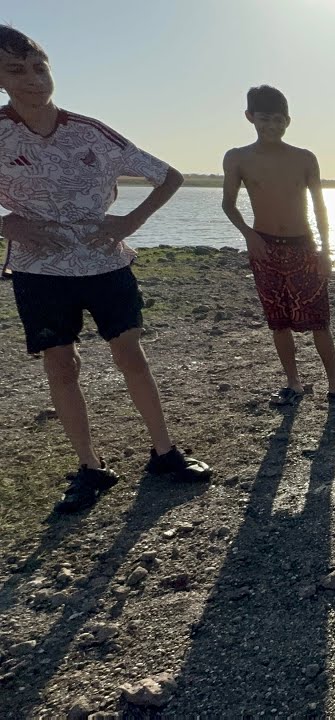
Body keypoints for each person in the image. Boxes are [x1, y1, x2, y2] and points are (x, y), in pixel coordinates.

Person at [0, 25, 211, 514]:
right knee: (61, 365)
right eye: (16, 70)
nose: (33, 79)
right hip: (40, 270)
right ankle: (91, 467)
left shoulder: (90, 131)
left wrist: (131, 221)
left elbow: (168, 176)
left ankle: (165, 453)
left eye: (39, 67)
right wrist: (7, 223)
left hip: (105, 262)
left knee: (131, 355)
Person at [221, 85, 335, 407]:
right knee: (278, 321)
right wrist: (249, 235)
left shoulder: (304, 158)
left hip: (304, 245)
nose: (271, 126)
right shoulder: (238, 157)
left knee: (320, 321)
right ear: (250, 117)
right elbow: (228, 204)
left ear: (288, 121)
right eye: (264, 119)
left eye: (278, 120)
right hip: (264, 247)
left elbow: (320, 207)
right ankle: (293, 384)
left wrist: (325, 250)